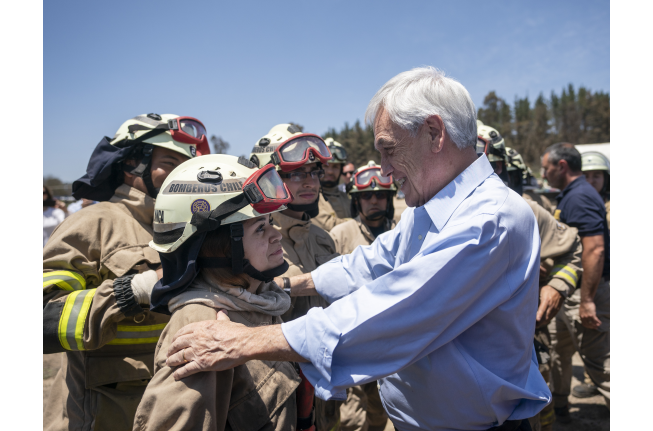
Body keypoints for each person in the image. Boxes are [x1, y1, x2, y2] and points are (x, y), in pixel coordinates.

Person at [165, 67, 550, 431]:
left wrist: (245, 342)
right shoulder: (433, 207)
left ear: (434, 133)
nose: (384, 170)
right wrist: (288, 287)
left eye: (388, 149)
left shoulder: (489, 220)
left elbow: (394, 313)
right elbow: (371, 264)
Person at [43, 113, 208, 431]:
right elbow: (46, 315)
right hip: (107, 411)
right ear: (133, 162)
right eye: (170, 162)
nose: (180, 175)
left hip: (178, 399)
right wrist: (135, 290)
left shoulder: (189, 228)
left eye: (185, 166)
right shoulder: (93, 223)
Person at [133, 154, 307, 431]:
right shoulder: (202, 323)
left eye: (272, 221)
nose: (277, 235)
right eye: (260, 228)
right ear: (221, 247)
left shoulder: (255, 301)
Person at [249, 124, 342, 431]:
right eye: (297, 174)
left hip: (324, 384)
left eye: (314, 172)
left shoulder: (323, 238)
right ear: (271, 177)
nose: (310, 182)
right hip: (277, 390)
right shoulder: (256, 240)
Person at [497, 146, 583, 431]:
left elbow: (573, 248)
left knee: (535, 406)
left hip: (525, 338)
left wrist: (556, 286)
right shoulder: (420, 216)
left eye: (492, 166)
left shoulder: (525, 210)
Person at [540, 143, 611, 418]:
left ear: (562, 166)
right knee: (558, 350)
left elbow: (594, 249)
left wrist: (587, 301)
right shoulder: (572, 194)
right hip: (568, 293)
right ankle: (560, 407)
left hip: (584, 295)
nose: (543, 175)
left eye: (546, 168)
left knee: (600, 366)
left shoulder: (579, 197)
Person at [330, 161, 397, 431]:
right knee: (350, 420)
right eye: (366, 196)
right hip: (350, 343)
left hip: (390, 345)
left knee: (381, 412)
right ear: (356, 201)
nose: (374, 201)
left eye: (380, 195)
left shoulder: (403, 233)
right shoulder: (340, 236)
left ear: (390, 198)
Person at [312, 138, 352, 231]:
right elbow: (328, 225)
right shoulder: (311, 197)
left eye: (335, 167)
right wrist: (358, 223)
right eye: (326, 166)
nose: (330, 171)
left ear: (341, 169)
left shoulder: (346, 197)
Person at [582, 151, 610, 231]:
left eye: (596, 176)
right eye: (585, 176)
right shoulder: (572, 203)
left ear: (606, 179)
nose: (591, 181)